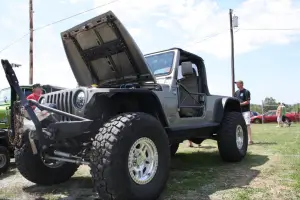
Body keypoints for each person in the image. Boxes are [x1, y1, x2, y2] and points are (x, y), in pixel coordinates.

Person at [234, 80, 253, 145]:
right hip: (238, 111)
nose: (236, 84)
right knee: (239, 125)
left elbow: (247, 102)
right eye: (236, 83)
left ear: (241, 84)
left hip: (245, 111)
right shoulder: (236, 92)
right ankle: (240, 139)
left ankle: (250, 140)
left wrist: (240, 104)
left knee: (247, 124)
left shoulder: (246, 91)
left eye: (237, 83)